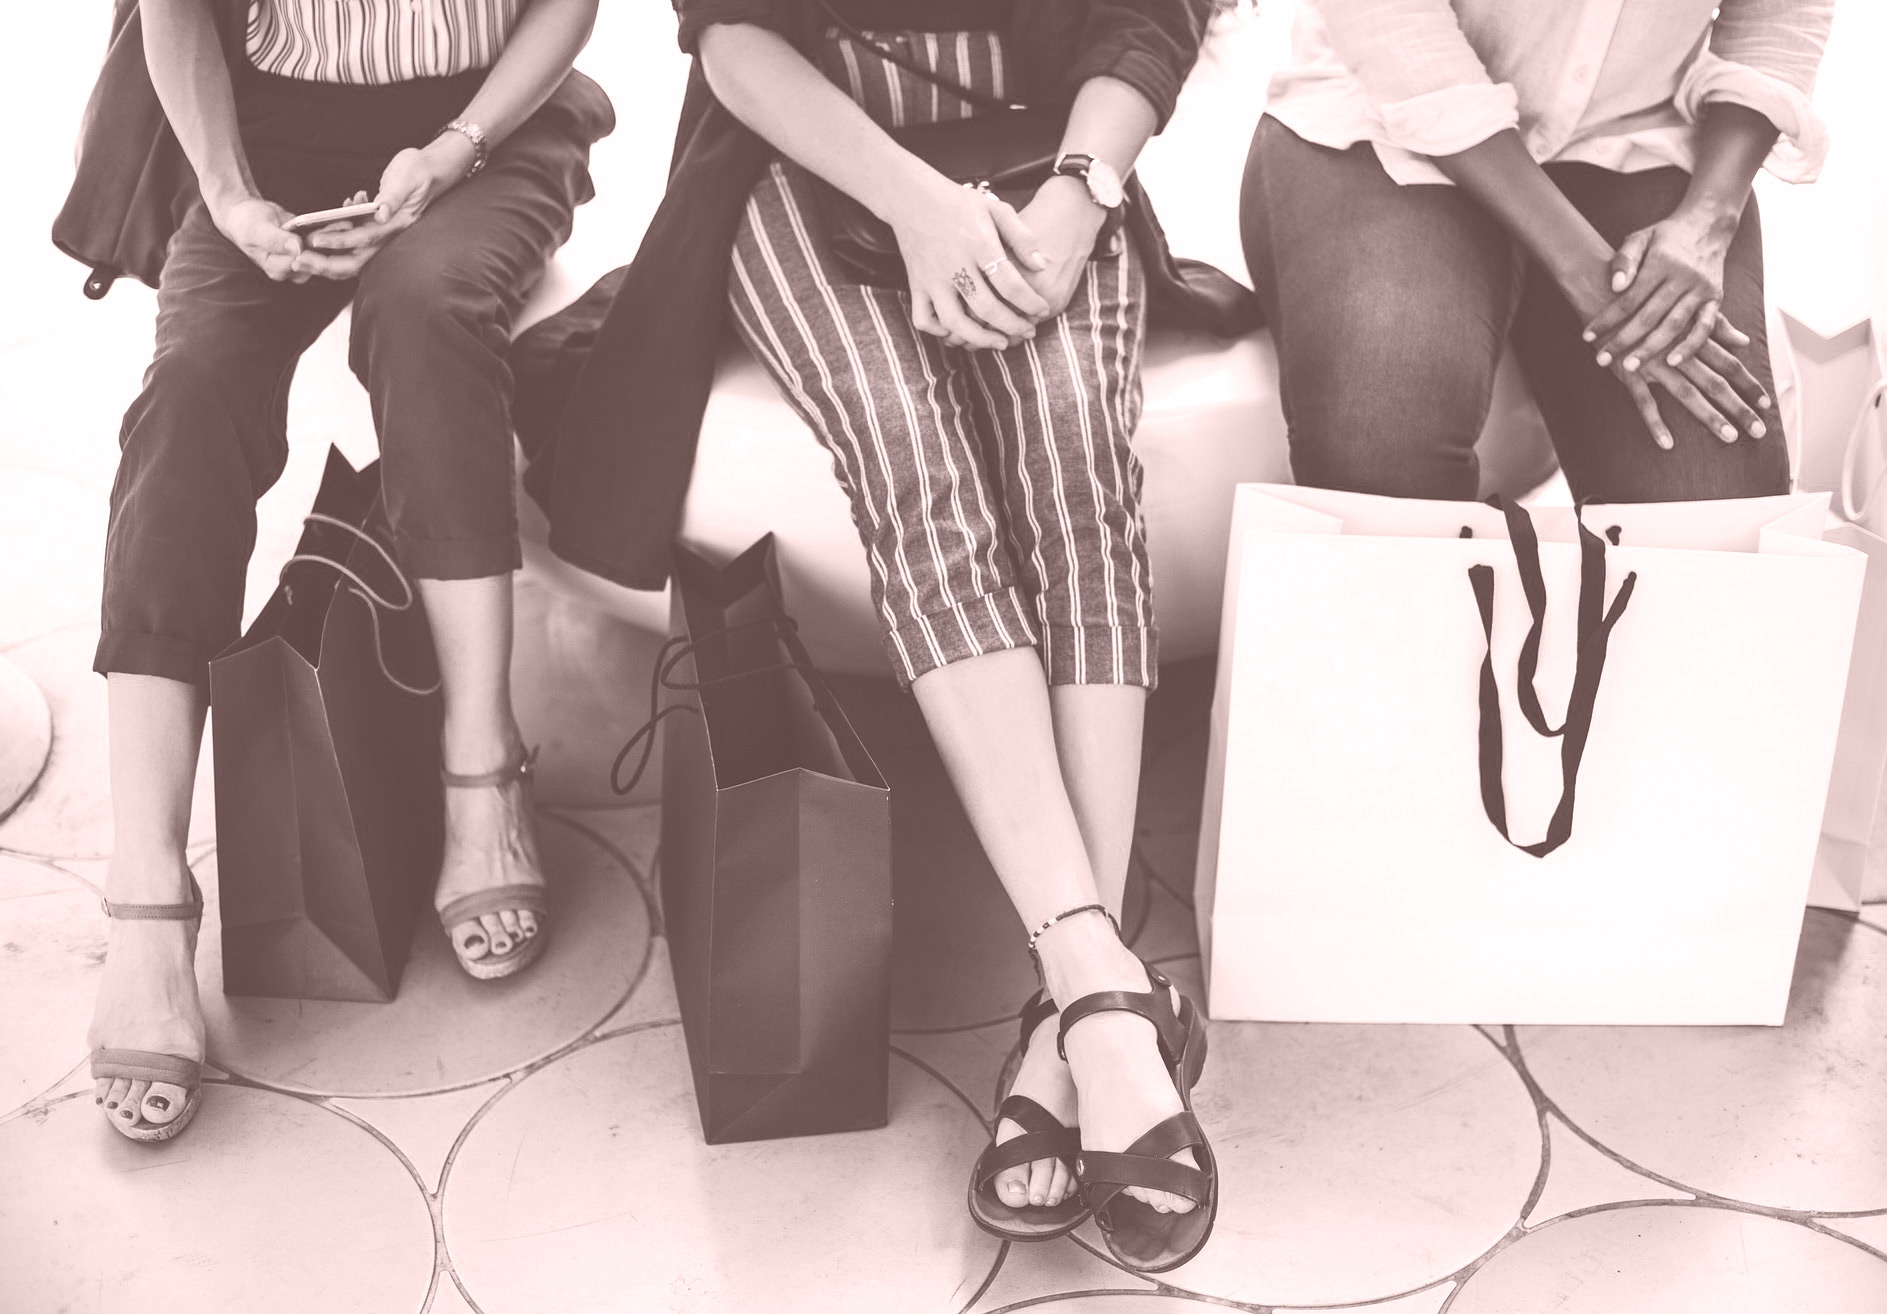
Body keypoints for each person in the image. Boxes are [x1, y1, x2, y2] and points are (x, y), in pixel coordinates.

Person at [540, 0, 1224, 1274]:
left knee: (1079, 457)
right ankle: (1105, 991)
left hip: (1057, 153)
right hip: (804, 160)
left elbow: (1149, 17)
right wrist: (917, 204)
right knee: (914, 464)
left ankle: (1073, 1013)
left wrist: (1084, 192)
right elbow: (729, 32)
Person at [83, 0, 608, 1143]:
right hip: (266, 134)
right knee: (190, 393)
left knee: (426, 314)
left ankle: (484, 769)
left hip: (492, 125)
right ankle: (147, 895)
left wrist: (456, 148)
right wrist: (227, 195)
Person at [1240, 0, 1833, 502]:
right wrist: (1588, 270)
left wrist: (1708, 218)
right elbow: (1392, 23)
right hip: (1382, 118)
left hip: (1633, 135)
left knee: (1711, 503)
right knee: (1382, 446)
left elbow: (1781, 12)